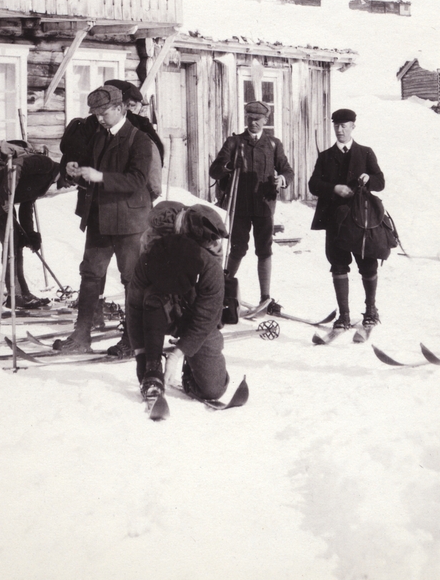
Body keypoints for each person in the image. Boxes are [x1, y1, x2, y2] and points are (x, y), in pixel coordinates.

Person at [55, 84, 155, 354]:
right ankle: (80, 336)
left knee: (131, 280)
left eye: (104, 112)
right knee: (90, 275)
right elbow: (86, 164)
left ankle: (133, 339)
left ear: (121, 108)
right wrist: (73, 169)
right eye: (95, 113)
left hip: (130, 222)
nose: (99, 118)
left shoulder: (139, 139)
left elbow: (137, 180)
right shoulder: (99, 136)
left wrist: (101, 177)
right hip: (100, 217)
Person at [127, 202, 231, 403]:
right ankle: (154, 366)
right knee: (152, 298)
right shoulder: (150, 258)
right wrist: (142, 357)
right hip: (159, 315)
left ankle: (190, 372)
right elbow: (134, 307)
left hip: (194, 319)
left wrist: (177, 355)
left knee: (213, 389)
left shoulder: (211, 269)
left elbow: (205, 319)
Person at [208, 100, 293, 309]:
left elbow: (287, 170)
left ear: (266, 120)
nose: (254, 123)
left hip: (264, 205)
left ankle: (266, 297)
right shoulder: (234, 143)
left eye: (258, 119)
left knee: (264, 250)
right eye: (250, 119)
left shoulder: (273, 144)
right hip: (240, 205)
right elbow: (214, 171)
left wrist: (282, 179)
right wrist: (228, 165)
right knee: (237, 248)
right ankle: (222, 292)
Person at [308, 108, 386, 330]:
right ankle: (343, 315)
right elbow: (313, 185)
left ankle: (371, 310)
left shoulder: (366, 153)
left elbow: (381, 182)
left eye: (344, 126)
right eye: (336, 126)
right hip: (335, 221)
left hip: (362, 221)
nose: (340, 130)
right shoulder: (325, 157)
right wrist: (334, 188)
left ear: (353, 126)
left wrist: (368, 178)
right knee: (338, 265)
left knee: (368, 264)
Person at [0, 140, 60, 309]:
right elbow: (15, 167)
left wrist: (30, 235)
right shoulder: (46, 165)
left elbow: (26, 205)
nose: (72, 185)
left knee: (18, 241)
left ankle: (22, 293)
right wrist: (8, 196)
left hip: (2, 192)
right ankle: (15, 296)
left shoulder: (47, 180)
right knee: (12, 243)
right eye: (75, 181)